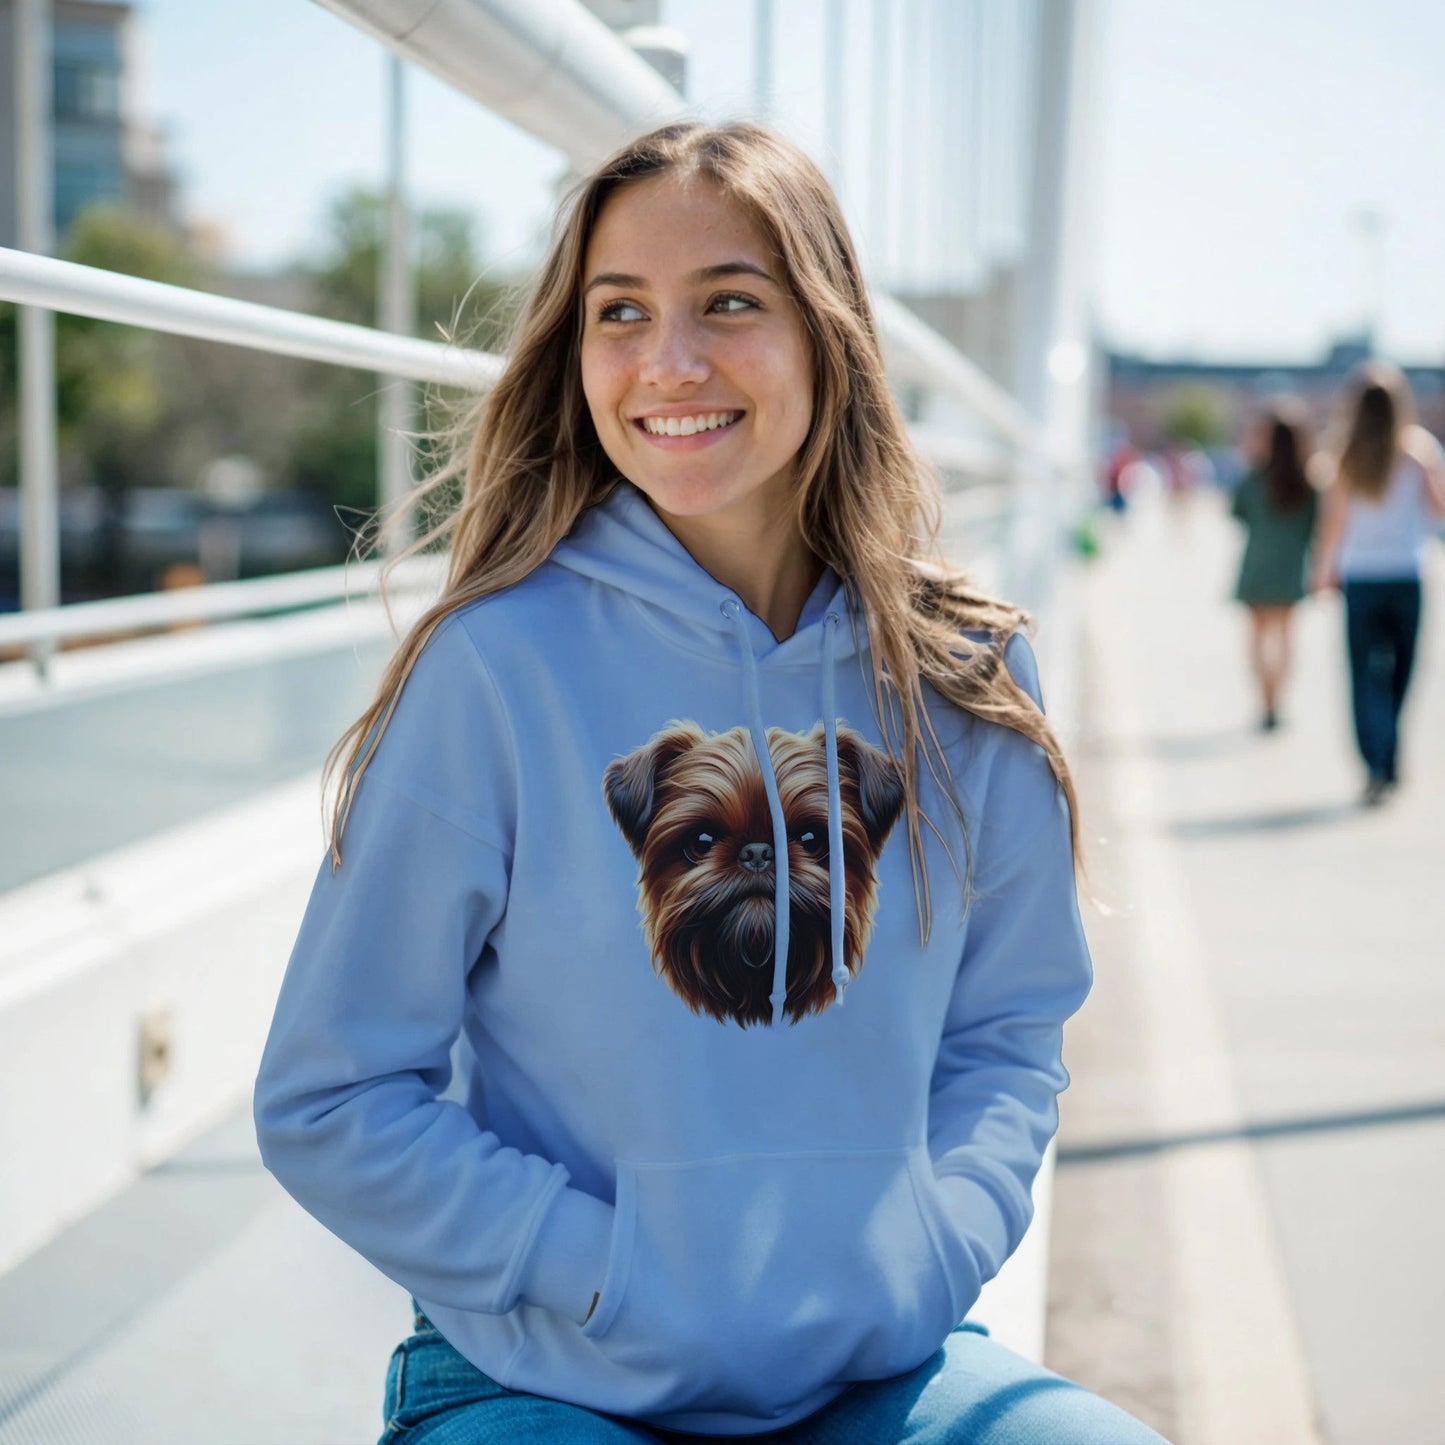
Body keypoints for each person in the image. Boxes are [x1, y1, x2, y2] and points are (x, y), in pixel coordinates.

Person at [253, 121, 1166, 1444]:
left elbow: (1007, 1033)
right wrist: (599, 1270)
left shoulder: (964, 674)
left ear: (827, 332)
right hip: (546, 1370)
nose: (668, 363)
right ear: (577, 355)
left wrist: (932, 1245)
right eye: (620, 313)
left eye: (729, 303)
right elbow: (330, 1095)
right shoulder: (498, 667)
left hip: (876, 1356)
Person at [1310, 361, 1445, 805]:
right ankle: (1389, 749)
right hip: (1406, 573)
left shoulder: (1344, 454)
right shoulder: (1419, 451)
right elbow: (1438, 509)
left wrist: (1323, 571)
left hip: (1362, 576)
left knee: (1363, 674)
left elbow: (1333, 523)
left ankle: (1376, 758)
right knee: (1402, 671)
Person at [1228, 399, 1319, 731]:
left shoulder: (1254, 478)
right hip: (1291, 570)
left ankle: (1264, 699)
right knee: (1284, 639)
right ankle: (1277, 700)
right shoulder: (1309, 483)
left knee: (1256, 639)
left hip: (1257, 568)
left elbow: (1236, 513)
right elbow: (1317, 529)